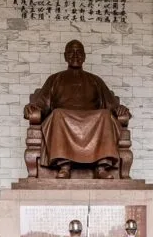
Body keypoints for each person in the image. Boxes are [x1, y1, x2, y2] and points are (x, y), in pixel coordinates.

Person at [24, 39, 131, 179]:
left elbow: (111, 105)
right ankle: (64, 165)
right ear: (65, 56)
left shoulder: (95, 80)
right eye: (71, 52)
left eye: (79, 52)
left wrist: (120, 109)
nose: (75, 55)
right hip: (63, 118)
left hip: (93, 120)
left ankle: (101, 166)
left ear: (85, 56)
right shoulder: (54, 79)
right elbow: (42, 104)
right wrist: (33, 108)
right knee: (57, 113)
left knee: (105, 115)